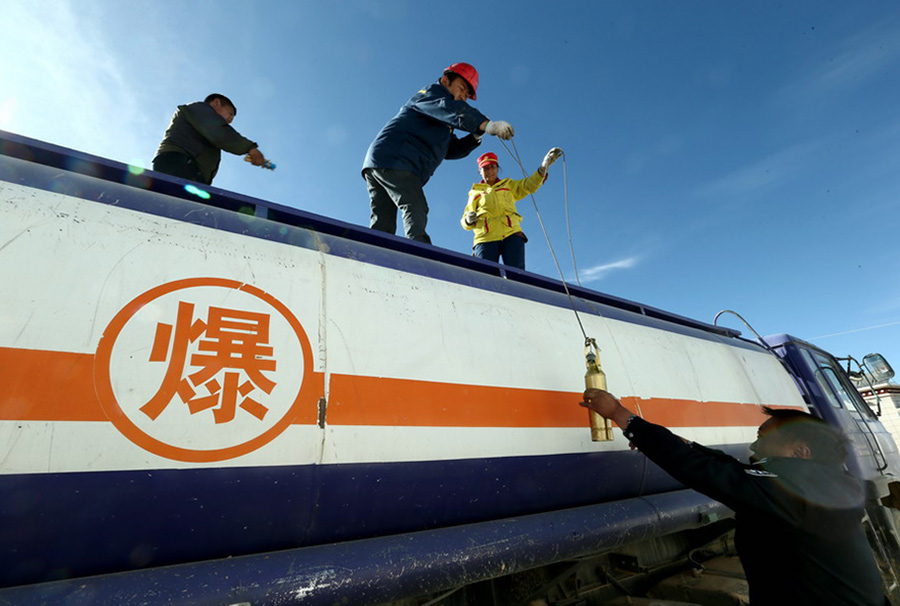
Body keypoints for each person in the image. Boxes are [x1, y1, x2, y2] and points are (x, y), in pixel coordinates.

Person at [579, 388, 887, 606]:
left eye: (762, 438)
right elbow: (732, 469)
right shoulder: (826, 483)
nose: (754, 448)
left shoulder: (795, 491)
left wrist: (622, 416)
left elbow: (708, 473)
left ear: (799, 452)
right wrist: (685, 445)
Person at [362, 62, 515, 244]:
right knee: (415, 204)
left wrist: (475, 135)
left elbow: (450, 150)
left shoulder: (442, 122)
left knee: (384, 220)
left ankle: (374, 252)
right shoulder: (432, 95)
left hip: (381, 162)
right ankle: (420, 252)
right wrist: (487, 124)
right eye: (462, 88)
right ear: (445, 80)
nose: (463, 96)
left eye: (467, 94)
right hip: (395, 158)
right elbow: (449, 108)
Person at [460, 148, 562, 269]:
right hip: (485, 238)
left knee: (516, 274)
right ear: (480, 171)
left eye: (492, 167)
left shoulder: (508, 185)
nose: (489, 171)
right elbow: (465, 220)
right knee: (485, 275)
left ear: (498, 169)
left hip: (511, 234)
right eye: (485, 168)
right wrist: (468, 219)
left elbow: (528, 185)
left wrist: (543, 168)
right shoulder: (475, 192)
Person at [153, 93, 269, 185]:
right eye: (229, 114)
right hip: (178, 162)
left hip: (190, 168)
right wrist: (250, 148)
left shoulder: (204, 124)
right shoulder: (200, 109)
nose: (229, 121)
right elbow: (219, 133)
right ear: (217, 103)